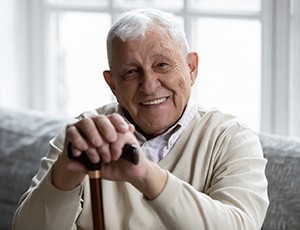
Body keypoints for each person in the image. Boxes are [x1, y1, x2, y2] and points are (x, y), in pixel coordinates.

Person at [13, 8, 269, 230]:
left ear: (191, 68)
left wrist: (146, 174)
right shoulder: (85, 134)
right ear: (112, 84)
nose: (148, 85)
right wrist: (65, 173)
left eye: (162, 65)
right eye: (131, 72)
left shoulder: (231, 138)